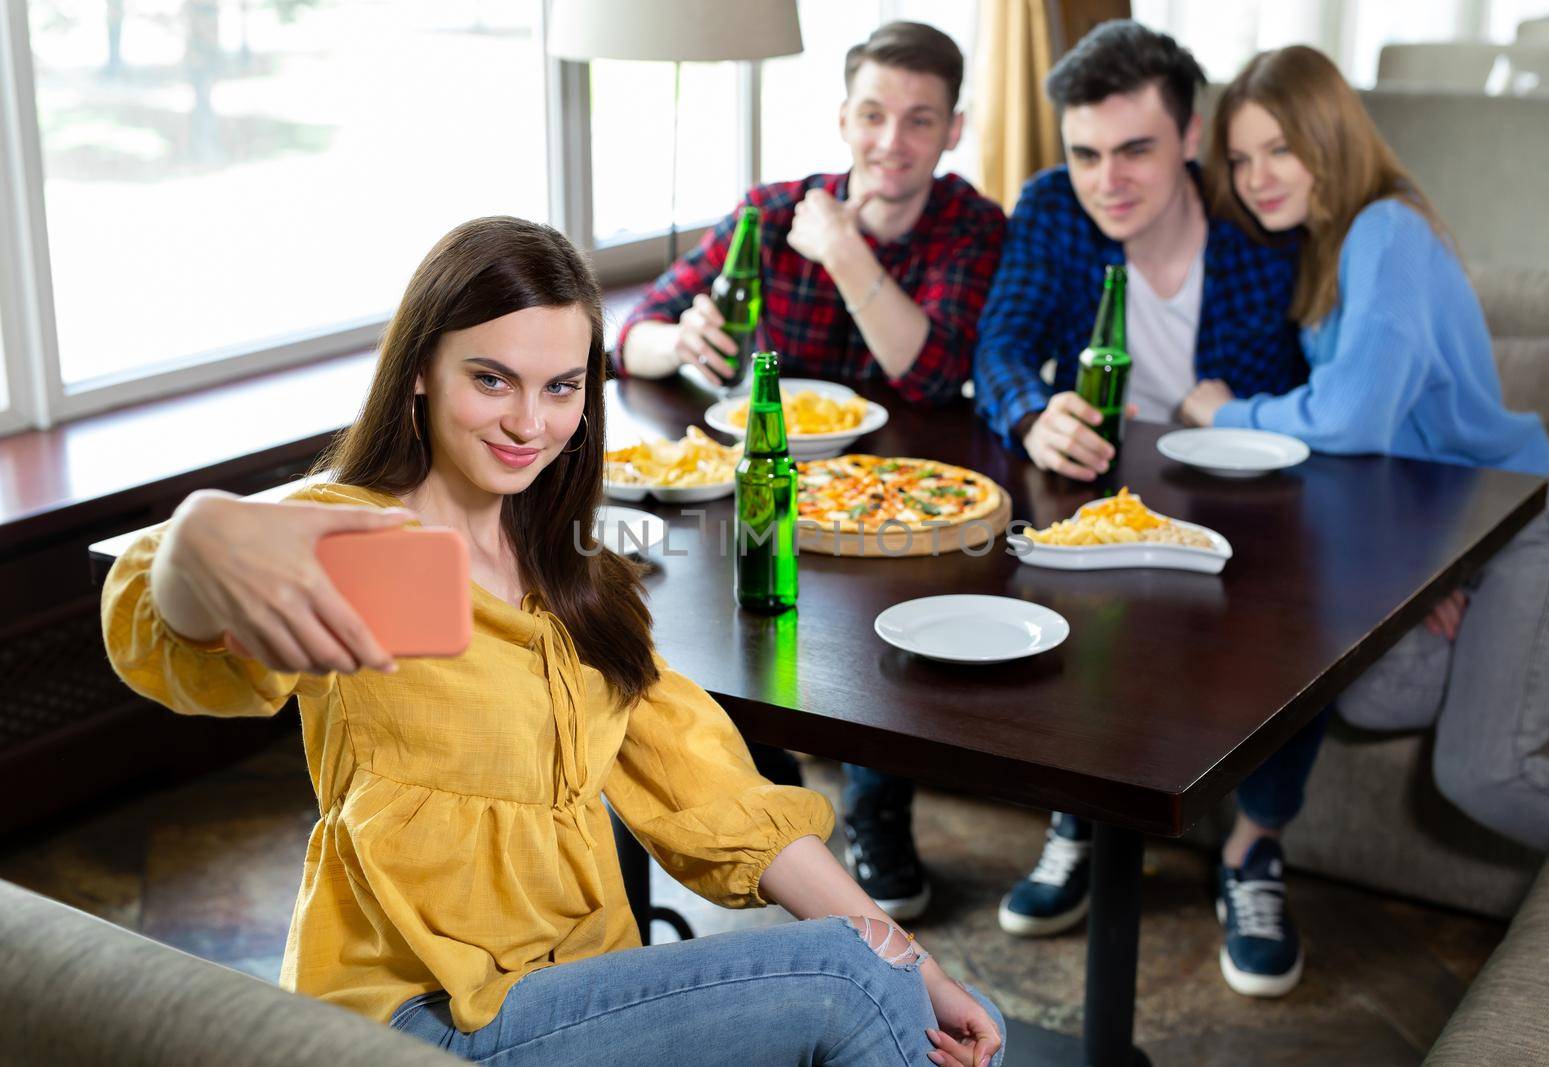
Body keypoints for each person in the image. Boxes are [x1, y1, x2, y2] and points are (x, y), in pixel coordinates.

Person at [101, 217, 1004, 1067]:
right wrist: (196, 536)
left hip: (577, 990)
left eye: (559, 387)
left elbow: (716, 796)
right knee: (848, 977)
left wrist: (919, 968)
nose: (528, 423)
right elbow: (170, 627)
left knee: (892, 977)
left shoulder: (578, 577)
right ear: (420, 369)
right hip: (421, 1015)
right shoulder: (354, 535)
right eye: (490, 379)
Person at [619, 20, 1007, 923]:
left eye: (919, 120)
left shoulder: (973, 227)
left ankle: (875, 803)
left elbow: (931, 367)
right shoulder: (768, 209)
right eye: (872, 115)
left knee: (881, 629)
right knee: (705, 597)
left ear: (953, 129)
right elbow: (633, 332)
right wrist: (678, 337)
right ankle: (770, 783)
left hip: (907, 500)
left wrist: (843, 248)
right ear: (841, 117)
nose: (890, 142)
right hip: (769, 486)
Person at [971, 20, 1321, 999]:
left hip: (1251, 511)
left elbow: (1320, 403)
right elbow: (997, 344)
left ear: (1191, 137)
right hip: (1105, 500)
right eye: (1085, 152)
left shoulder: (1261, 230)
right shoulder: (1051, 209)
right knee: (1050, 585)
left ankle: (1252, 849)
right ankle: (1078, 816)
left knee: (1311, 609)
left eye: (1134, 149)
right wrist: (1028, 412)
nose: (1106, 179)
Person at [1182, 44, 1549, 853]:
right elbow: (1384, 454)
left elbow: (1352, 422)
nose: (1257, 175)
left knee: (1482, 772)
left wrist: (1229, 412)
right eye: (1239, 158)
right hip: (1470, 537)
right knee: (1367, 691)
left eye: (1281, 149)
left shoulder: (1386, 229)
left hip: (1532, 520)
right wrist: (1433, 564)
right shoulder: (1330, 246)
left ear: (1329, 137)